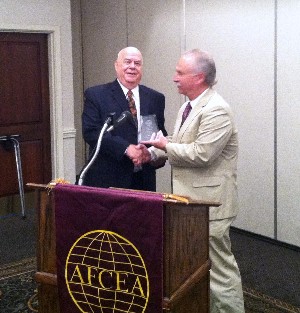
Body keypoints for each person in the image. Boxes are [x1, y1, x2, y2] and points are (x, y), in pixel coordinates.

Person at [141, 49, 245, 312]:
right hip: (189, 201)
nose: (174, 77)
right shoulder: (188, 106)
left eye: (180, 72)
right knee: (195, 265)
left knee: (220, 272)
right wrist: (152, 151)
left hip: (211, 205)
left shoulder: (217, 110)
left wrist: (165, 145)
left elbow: (202, 154)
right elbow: (178, 142)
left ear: (198, 77)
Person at [81, 46, 167, 191]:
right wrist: (126, 148)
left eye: (137, 63)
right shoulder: (96, 95)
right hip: (109, 178)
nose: (132, 67)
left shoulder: (155, 98)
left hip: (144, 179)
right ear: (117, 65)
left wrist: (150, 154)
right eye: (127, 62)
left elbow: (160, 134)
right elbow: (92, 132)